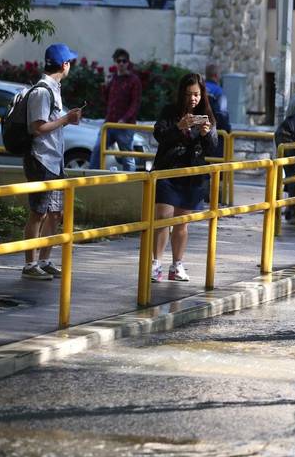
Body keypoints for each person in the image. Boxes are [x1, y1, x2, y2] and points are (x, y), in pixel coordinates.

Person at [21, 44, 84, 280]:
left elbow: (52, 123)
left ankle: (45, 260)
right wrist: (66, 119)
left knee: (55, 212)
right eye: (70, 62)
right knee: (38, 213)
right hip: (41, 159)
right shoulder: (42, 91)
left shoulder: (54, 89)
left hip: (54, 161)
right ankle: (30, 265)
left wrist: (68, 119)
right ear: (64, 65)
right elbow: (37, 128)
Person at [150, 73, 218, 283]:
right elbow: (159, 135)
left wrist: (207, 133)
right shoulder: (170, 111)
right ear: (182, 94)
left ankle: (177, 265)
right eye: (189, 94)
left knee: (182, 222)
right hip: (168, 170)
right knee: (163, 218)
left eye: (196, 94)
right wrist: (179, 127)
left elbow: (213, 147)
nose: (193, 99)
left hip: (191, 175)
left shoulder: (206, 113)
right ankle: (155, 264)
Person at [89, 48, 142, 170]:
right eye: (119, 61)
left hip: (125, 126)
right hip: (109, 123)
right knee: (97, 149)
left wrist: (125, 119)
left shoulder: (134, 80)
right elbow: (107, 100)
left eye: (124, 61)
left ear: (128, 63)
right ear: (115, 62)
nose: (121, 64)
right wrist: (105, 87)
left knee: (127, 156)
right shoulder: (113, 78)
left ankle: (130, 182)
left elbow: (135, 103)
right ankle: (91, 179)